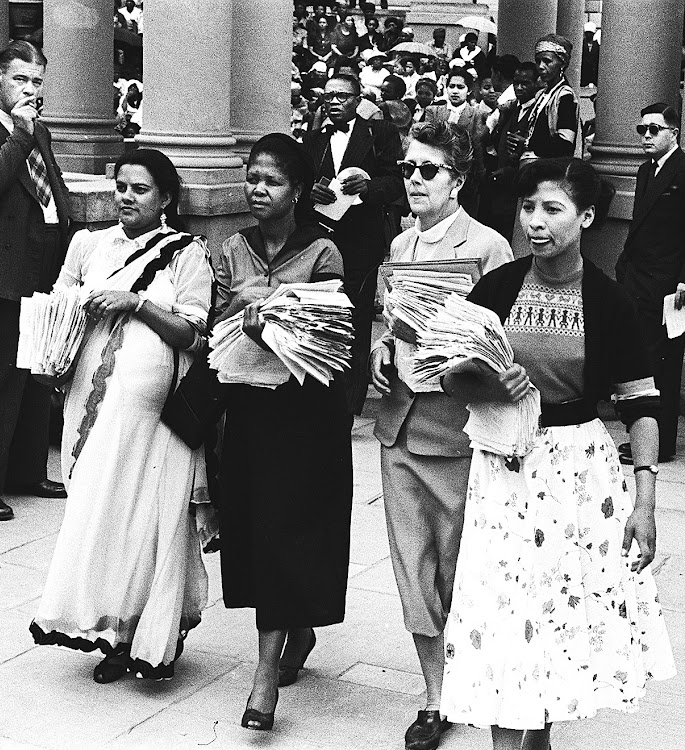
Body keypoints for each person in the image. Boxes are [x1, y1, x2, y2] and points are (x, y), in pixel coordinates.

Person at [439, 158, 676, 749]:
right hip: (502, 468)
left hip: (576, 474)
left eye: (553, 209)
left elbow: (641, 404)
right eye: (528, 208)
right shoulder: (495, 289)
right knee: (500, 613)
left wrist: (644, 502)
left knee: (552, 613)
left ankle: (538, 737)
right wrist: (490, 384)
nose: (536, 222)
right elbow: (447, 377)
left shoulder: (609, 301)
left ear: (587, 217)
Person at [30, 148, 214, 683]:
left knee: (145, 518)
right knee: (99, 509)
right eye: (122, 187)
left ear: (166, 199)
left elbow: (192, 336)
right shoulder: (89, 244)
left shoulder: (186, 254)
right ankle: (111, 630)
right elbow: (57, 307)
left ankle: (149, 634)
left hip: (154, 415)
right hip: (89, 399)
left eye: (140, 189)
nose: (127, 197)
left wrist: (135, 305)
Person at [371, 119, 512, 750]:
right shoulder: (400, 246)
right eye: (408, 168)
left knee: (460, 566)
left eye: (428, 170)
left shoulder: (488, 248)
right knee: (412, 566)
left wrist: (455, 348)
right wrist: (382, 343)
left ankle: (472, 681)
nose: (415, 180)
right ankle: (435, 695)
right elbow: (388, 319)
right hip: (399, 422)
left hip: (455, 429)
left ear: (457, 179)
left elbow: (504, 343)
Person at [216, 133, 353, 731]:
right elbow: (217, 319)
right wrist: (263, 303)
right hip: (244, 408)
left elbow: (324, 327)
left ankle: (264, 673)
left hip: (303, 417)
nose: (257, 189)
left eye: (270, 180)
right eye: (252, 177)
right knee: (251, 531)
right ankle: (296, 629)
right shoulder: (231, 247)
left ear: (297, 189)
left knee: (284, 530)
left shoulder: (324, 249)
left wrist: (263, 303)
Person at [0, 41, 71, 522]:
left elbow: (51, 190)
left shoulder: (38, 130)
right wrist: (21, 138)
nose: (30, 89)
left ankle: (27, 472)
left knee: (35, 377)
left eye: (37, 81)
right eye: (21, 79)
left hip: (42, 269)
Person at [303, 75, 404, 416]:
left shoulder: (381, 135)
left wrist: (369, 186)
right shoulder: (313, 138)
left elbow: (397, 184)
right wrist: (309, 194)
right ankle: (318, 392)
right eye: (328, 96)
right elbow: (301, 182)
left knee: (356, 320)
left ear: (358, 99)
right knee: (319, 315)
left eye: (342, 96)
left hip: (361, 242)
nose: (334, 102)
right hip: (319, 242)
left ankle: (349, 402)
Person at [616, 102, 685, 464]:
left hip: (669, 285)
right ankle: (646, 438)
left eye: (653, 130)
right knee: (642, 359)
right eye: (641, 129)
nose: (645, 136)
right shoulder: (646, 170)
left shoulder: (683, 170)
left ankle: (661, 444)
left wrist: (683, 281)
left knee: (664, 363)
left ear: (673, 132)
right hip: (639, 278)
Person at [480, 61, 539, 241]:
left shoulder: (537, 110)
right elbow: (487, 138)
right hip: (500, 183)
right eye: (516, 83)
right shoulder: (511, 108)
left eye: (525, 83)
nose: (519, 88)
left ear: (537, 84)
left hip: (518, 184)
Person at [425, 68, 485, 217]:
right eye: (451, 86)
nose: (455, 91)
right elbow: (428, 141)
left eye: (460, 87)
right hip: (436, 172)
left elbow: (477, 146)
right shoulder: (434, 111)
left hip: (463, 175)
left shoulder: (476, 114)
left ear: (469, 90)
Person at [522, 34, 578, 160]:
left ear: (562, 64)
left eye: (547, 61)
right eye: (538, 61)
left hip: (549, 170)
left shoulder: (565, 96)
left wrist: (527, 143)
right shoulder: (541, 95)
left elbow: (564, 144)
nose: (541, 66)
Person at [581, 21, 599, 86]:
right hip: (583, 75)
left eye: (590, 33)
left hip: (594, 75)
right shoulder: (581, 45)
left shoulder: (597, 45)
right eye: (587, 33)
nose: (588, 35)